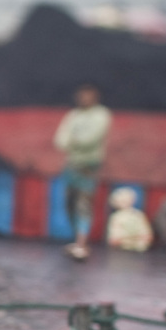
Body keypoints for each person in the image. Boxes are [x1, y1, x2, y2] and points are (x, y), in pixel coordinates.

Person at [54, 83, 112, 261]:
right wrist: (71, 143)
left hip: (89, 165)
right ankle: (77, 240)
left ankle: (82, 243)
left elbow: (90, 139)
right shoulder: (74, 115)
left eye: (87, 95)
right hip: (71, 164)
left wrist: (73, 143)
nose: (84, 99)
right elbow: (60, 139)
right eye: (81, 95)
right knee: (69, 203)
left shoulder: (101, 115)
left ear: (94, 97)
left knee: (84, 203)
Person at [106, 187, 153, 253]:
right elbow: (114, 239)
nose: (126, 203)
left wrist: (138, 238)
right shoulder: (116, 217)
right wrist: (128, 238)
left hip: (140, 249)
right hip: (120, 250)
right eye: (122, 201)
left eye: (127, 200)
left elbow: (147, 235)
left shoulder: (139, 215)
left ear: (132, 200)